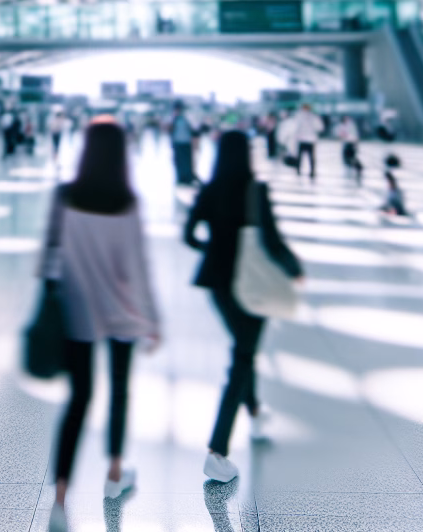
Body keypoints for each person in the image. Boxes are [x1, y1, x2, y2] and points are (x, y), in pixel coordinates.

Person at [41, 120, 160, 532]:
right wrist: (153, 320)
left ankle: (60, 497)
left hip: (77, 312)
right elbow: (139, 267)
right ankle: (113, 474)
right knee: (120, 391)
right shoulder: (127, 202)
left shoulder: (65, 196)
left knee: (79, 400)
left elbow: (48, 261)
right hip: (122, 312)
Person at [183, 130, 302, 484]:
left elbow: (188, 235)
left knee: (243, 350)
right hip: (252, 285)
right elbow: (271, 239)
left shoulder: (209, 189)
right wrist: (293, 269)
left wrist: (214, 249)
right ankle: (217, 451)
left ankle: (254, 411)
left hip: (219, 285)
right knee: (242, 357)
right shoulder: (256, 190)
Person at [291, 103, 323, 179]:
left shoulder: (298, 116)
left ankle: (299, 170)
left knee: (301, 156)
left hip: (302, 139)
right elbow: (320, 127)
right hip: (310, 139)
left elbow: (294, 128)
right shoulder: (313, 116)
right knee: (310, 157)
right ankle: (311, 172)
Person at [170, 101, 196, 186]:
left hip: (186, 143)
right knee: (178, 161)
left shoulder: (186, 117)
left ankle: (188, 178)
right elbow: (169, 130)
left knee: (187, 161)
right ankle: (180, 178)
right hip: (177, 143)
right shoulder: (173, 118)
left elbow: (193, 129)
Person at [334, 114, 362, 184]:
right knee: (346, 157)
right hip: (346, 143)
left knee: (351, 157)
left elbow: (355, 135)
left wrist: (356, 143)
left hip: (351, 143)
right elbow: (338, 133)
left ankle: (358, 167)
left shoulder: (351, 125)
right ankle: (350, 168)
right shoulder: (341, 125)